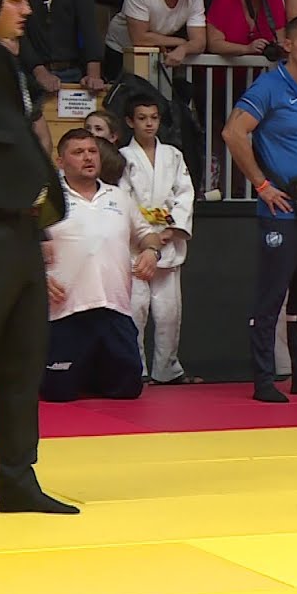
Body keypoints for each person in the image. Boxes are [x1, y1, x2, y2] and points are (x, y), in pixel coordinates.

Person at [0, 0, 77, 514]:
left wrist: (41, 220)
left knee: (22, 360)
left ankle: (17, 480)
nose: (24, 10)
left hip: (19, 229)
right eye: (14, 0)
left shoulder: (11, 66)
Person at [222, 16, 297, 403]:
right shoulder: (270, 86)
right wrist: (261, 185)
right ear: (288, 45)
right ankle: (263, 379)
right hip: (282, 208)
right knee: (272, 296)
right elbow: (232, 132)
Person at [41, 129, 163, 404]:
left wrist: (152, 252)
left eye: (92, 151)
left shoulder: (119, 197)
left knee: (128, 389)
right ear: (60, 162)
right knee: (57, 394)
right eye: (78, 152)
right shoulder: (48, 198)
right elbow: (22, 243)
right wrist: (39, 275)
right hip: (65, 310)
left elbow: (148, 234)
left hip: (114, 309)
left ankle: (91, 373)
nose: (88, 158)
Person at [119, 95, 199, 384]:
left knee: (168, 313)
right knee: (135, 311)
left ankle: (167, 369)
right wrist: (145, 235)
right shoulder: (123, 157)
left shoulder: (173, 155)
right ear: (130, 122)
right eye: (142, 118)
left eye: (153, 118)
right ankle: (134, 369)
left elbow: (185, 194)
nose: (149, 124)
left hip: (168, 239)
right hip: (135, 245)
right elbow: (123, 198)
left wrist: (169, 231)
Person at [102, 0, 206, 80]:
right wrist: (181, 42)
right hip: (121, 49)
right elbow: (139, 39)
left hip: (155, 52)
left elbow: (200, 42)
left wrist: (183, 49)